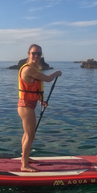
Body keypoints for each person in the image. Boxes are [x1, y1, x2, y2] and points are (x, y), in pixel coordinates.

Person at [18, 44, 62, 172]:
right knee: (30, 135)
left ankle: (24, 158)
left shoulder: (33, 69)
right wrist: (57, 73)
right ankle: (24, 165)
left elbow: (32, 88)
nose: (36, 56)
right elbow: (48, 79)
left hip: (28, 105)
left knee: (27, 134)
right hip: (25, 106)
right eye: (34, 53)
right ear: (28, 54)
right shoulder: (28, 69)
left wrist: (41, 100)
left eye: (39, 53)